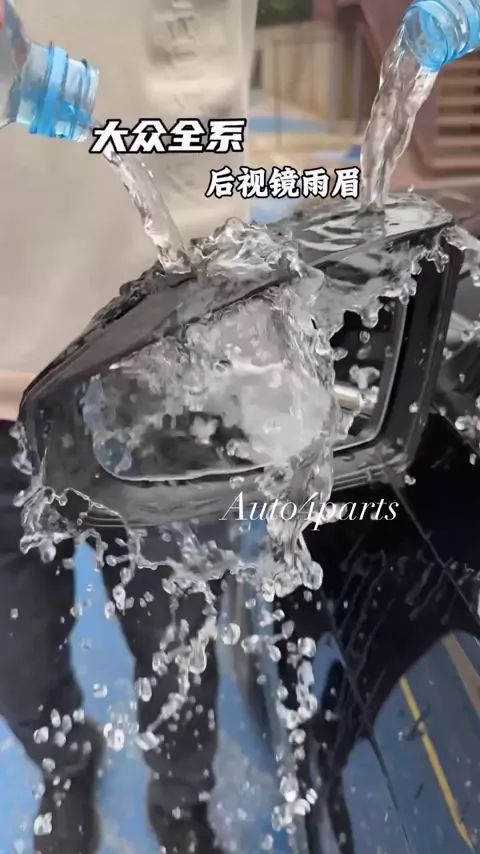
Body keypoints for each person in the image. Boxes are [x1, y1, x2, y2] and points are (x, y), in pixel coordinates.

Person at [0, 1, 259, 852]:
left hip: (169, 357)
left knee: (179, 637)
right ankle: (64, 765)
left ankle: (181, 800)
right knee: (16, 661)